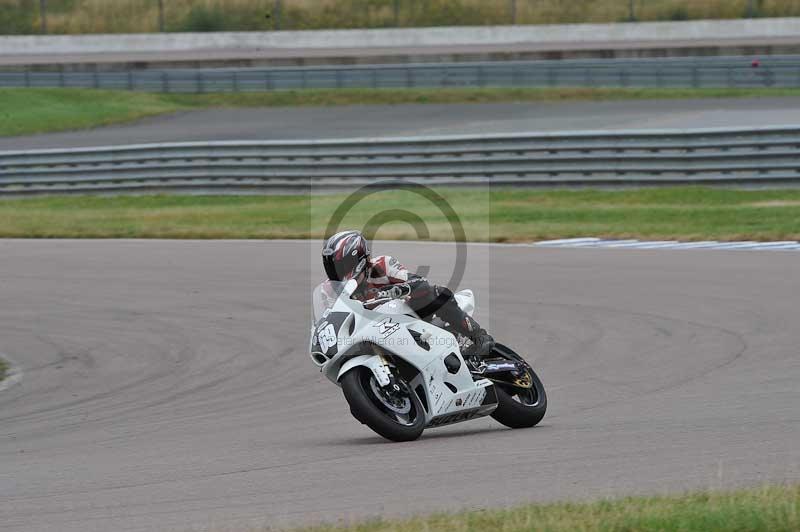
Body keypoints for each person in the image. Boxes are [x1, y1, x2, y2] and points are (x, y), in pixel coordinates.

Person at [322, 230, 495, 359]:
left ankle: (479, 336)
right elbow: (328, 320)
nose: (338, 273)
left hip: (409, 320)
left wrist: (399, 289)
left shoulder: (382, 265)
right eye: (333, 267)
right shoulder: (329, 290)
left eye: (342, 266)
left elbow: (420, 283)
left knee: (436, 293)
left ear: (359, 259)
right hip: (370, 335)